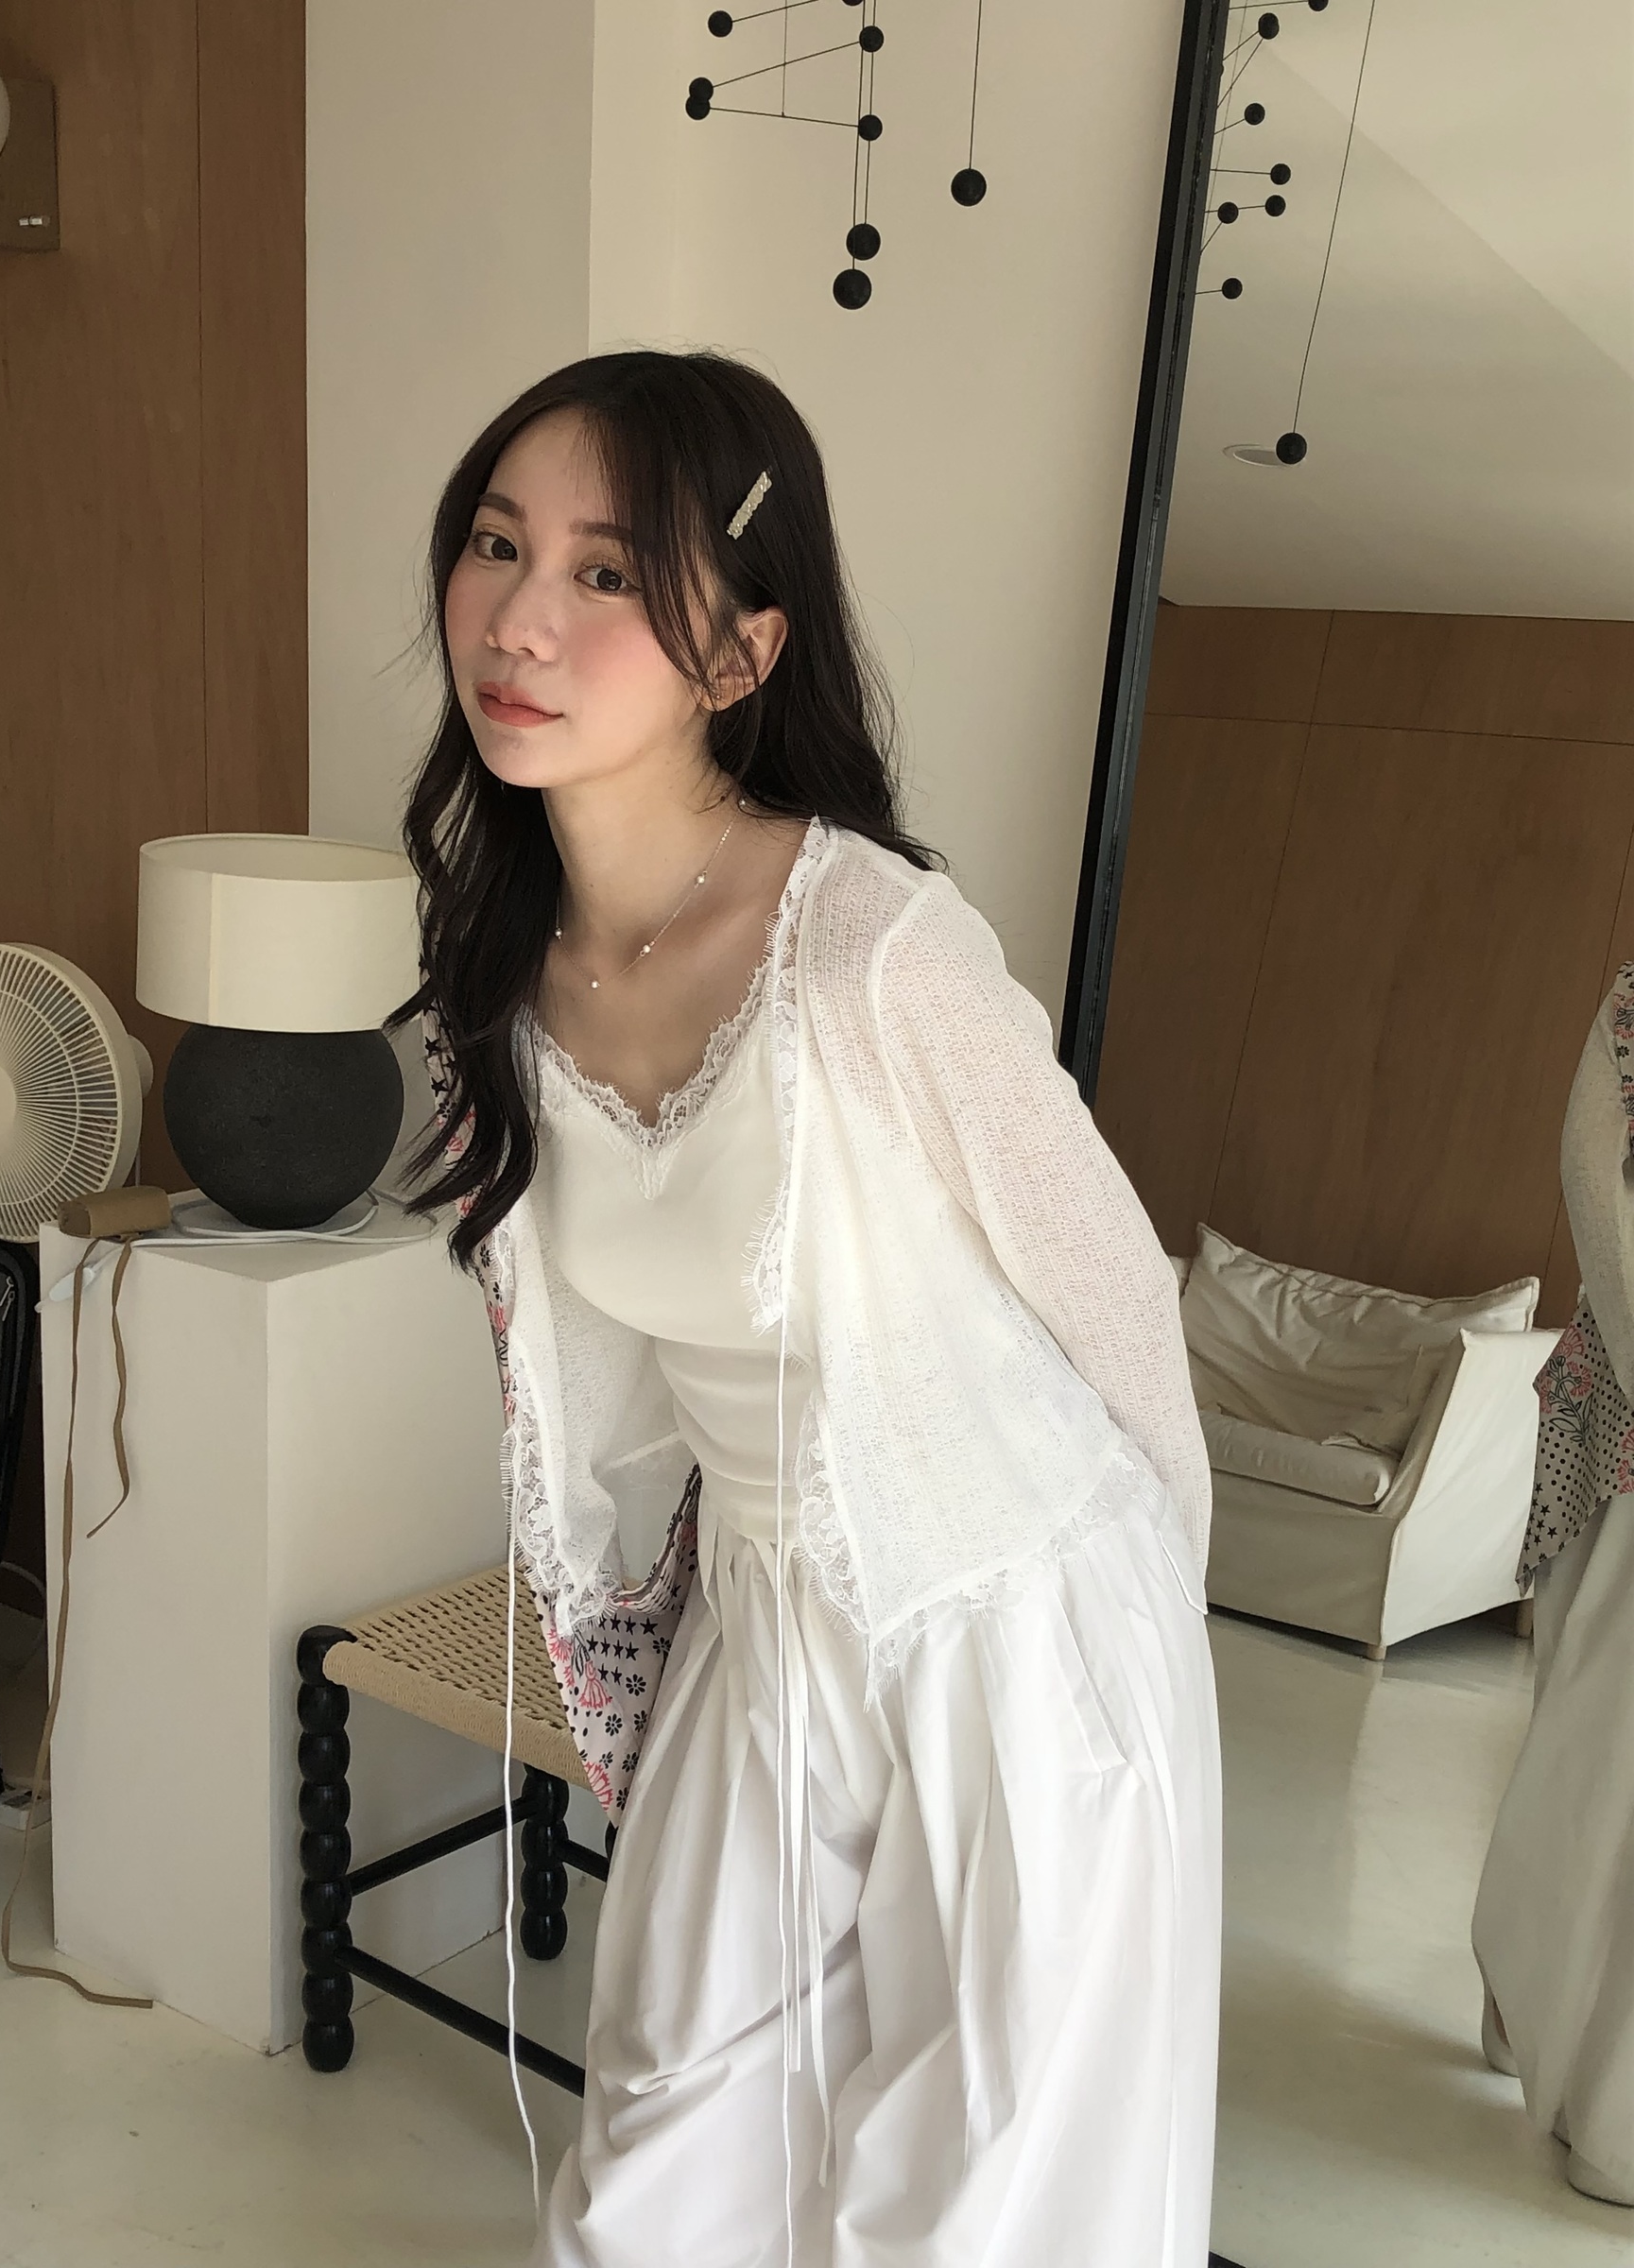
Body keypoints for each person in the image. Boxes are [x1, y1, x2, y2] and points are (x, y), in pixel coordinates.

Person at [391, 348, 1221, 2268]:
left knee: (974, 2219)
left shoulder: (870, 950)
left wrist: (1125, 1676)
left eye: (609, 572)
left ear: (743, 653)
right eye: (498, 544)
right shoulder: (507, 974)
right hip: (767, 1638)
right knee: (664, 2173)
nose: (519, 617)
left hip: (1020, 1632)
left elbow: (1120, 1310)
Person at [1473, 969, 1634, 2208]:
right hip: (1619, 1411)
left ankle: (1589, 2082)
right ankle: (1529, 2019)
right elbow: (1593, 1176)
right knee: (1584, 1740)